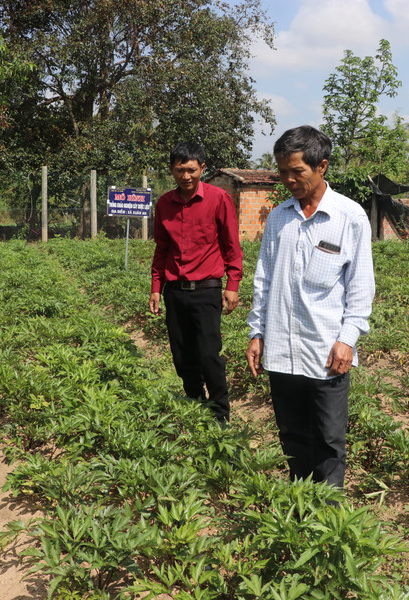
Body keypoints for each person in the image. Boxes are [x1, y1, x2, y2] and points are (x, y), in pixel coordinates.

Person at [245, 126, 375, 489]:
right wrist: (257, 332)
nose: (288, 179)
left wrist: (347, 339)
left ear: (322, 167)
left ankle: (328, 515)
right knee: (292, 435)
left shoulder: (349, 217)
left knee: (329, 440)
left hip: (325, 351)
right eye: (282, 172)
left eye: (296, 171)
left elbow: (361, 287)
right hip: (282, 350)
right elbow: (264, 280)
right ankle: (300, 504)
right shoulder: (278, 218)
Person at [149, 142, 243, 424]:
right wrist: (155, 288)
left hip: (207, 289)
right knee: (181, 354)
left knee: (208, 354)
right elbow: (161, 249)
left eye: (191, 170)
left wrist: (233, 284)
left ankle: (219, 414)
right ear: (171, 170)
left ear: (202, 168)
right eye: (180, 170)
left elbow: (231, 245)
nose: (186, 176)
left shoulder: (218, 199)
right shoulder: (164, 203)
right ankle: (193, 404)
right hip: (174, 291)